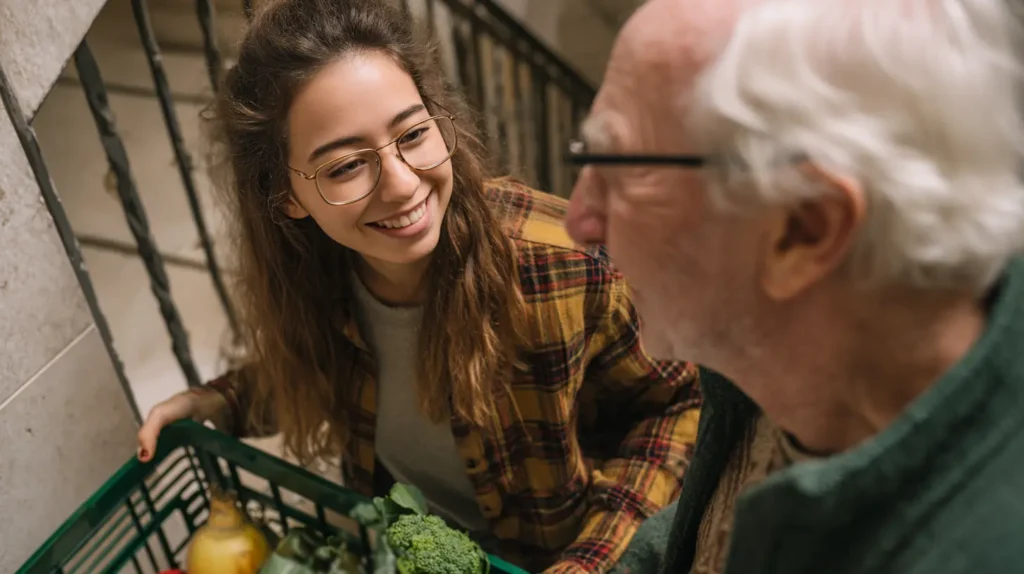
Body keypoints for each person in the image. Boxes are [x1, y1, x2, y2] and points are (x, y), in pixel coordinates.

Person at [135, 0, 702, 572]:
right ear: (285, 195)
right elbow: (316, 371)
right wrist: (219, 400)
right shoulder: (319, 278)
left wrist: (589, 562)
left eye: (412, 133)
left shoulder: (566, 263)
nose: (403, 186)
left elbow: (680, 404)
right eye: (345, 166)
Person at [565, 0, 1024, 572]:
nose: (580, 220)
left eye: (622, 166)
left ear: (805, 228)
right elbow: (716, 526)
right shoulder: (781, 356)